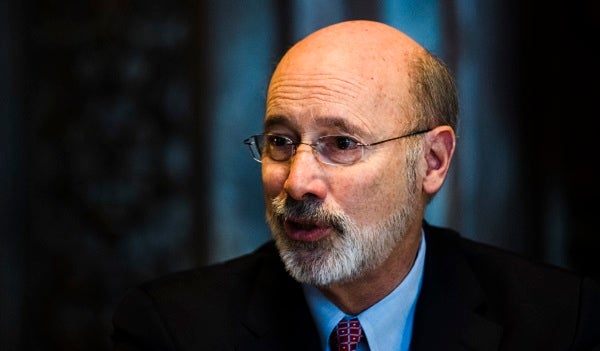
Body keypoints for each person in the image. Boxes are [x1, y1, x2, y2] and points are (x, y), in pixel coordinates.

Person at [111, 20, 600, 350]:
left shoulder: (558, 321)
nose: (298, 181)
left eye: (342, 143)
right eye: (281, 141)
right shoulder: (171, 330)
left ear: (432, 161)